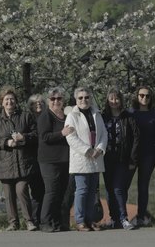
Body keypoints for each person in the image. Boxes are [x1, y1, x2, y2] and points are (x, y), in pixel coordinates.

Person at [0, 86, 38, 231]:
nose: (9, 102)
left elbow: (35, 134)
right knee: (8, 195)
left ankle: (29, 221)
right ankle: (13, 222)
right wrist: (5, 142)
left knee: (22, 190)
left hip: (23, 162)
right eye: (6, 99)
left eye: (12, 99)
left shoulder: (26, 116)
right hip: (5, 163)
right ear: (2, 102)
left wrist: (24, 137)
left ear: (16, 101)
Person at [65, 87, 107, 232]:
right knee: (82, 190)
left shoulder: (97, 113)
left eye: (87, 97)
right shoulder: (72, 116)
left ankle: (91, 220)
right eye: (80, 98)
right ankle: (80, 220)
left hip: (96, 157)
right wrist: (87, 150)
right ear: (76, 100)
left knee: (92, 191)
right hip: (81, 158)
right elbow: (70, 137)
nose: (84, 100)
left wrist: (100, 149)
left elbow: (104, 134)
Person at [101, 88, 139, 230]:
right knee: (110, 189)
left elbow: (136, 138)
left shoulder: (128, 117)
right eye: (111, 98)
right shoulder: (103, 117)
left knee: (118, 188)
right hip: (106, 158)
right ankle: (113, 218)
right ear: (107, 100)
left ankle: (123, 218)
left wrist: (132, 158)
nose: (114, 101)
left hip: (122, 158)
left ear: (121, 100)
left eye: (116, 98)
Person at [37, 87, 73, 232]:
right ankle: (44, 222)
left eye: (59, 99)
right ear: (48, 101)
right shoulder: (45, 116)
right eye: (53, 99)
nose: (56, 101)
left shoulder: (67, 116)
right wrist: (61, 133)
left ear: (63, 100)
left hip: (66, 160)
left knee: (63, 192)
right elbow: (44, 137)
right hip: (49, 161)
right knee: (51, 191)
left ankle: (58, 222)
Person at [128, 85, 155, 227]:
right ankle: (121, 217)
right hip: (131, 156)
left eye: (147, 96)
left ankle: (141, 217)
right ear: (137, 97)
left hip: (149, 156)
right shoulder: (130, 114)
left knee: (143, 186)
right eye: (141, 95)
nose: (144, 98)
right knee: (125, 185)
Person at [26, 94, 46, 226]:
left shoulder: (48, 117)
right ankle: (35, 219)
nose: (38, 104)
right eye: (34, 103)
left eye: (40, 102)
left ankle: (46, 218)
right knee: (36, 192)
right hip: (33, 160)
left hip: (47, 159)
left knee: (47, 191)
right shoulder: (28, 120)